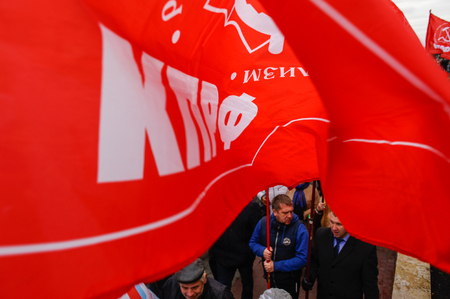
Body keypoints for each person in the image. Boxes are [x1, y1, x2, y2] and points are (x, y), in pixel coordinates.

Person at [302, 211, 379, 299]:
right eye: (331, 222)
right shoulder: (321, 235)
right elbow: (314, 261)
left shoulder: (366, 247)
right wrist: (309, 277)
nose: (334, 228)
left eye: (339, 224)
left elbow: (370, 286)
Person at [249, 194, 308, 299]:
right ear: (275, 212)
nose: (290, 215)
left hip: (290, 281)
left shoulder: (300, 229)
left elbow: (303, 259)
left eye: (291, 211)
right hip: (269, 278)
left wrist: (275, 266)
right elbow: (253, 242)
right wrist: (262, 250)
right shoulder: (264, 223)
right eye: (285, 213)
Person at [209, 200, 263, 299]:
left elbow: (257, 231)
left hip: (244, 257)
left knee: (247, 285)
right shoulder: (215, 205)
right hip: (223, 256)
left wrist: (249, 250)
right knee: (222, 289)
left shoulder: (251, 206)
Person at [160, 259, 234, 299]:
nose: (190, 294)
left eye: (195, 287)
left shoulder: (221, 295)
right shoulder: (170, 285)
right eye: (184, 287)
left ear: (205, 279)